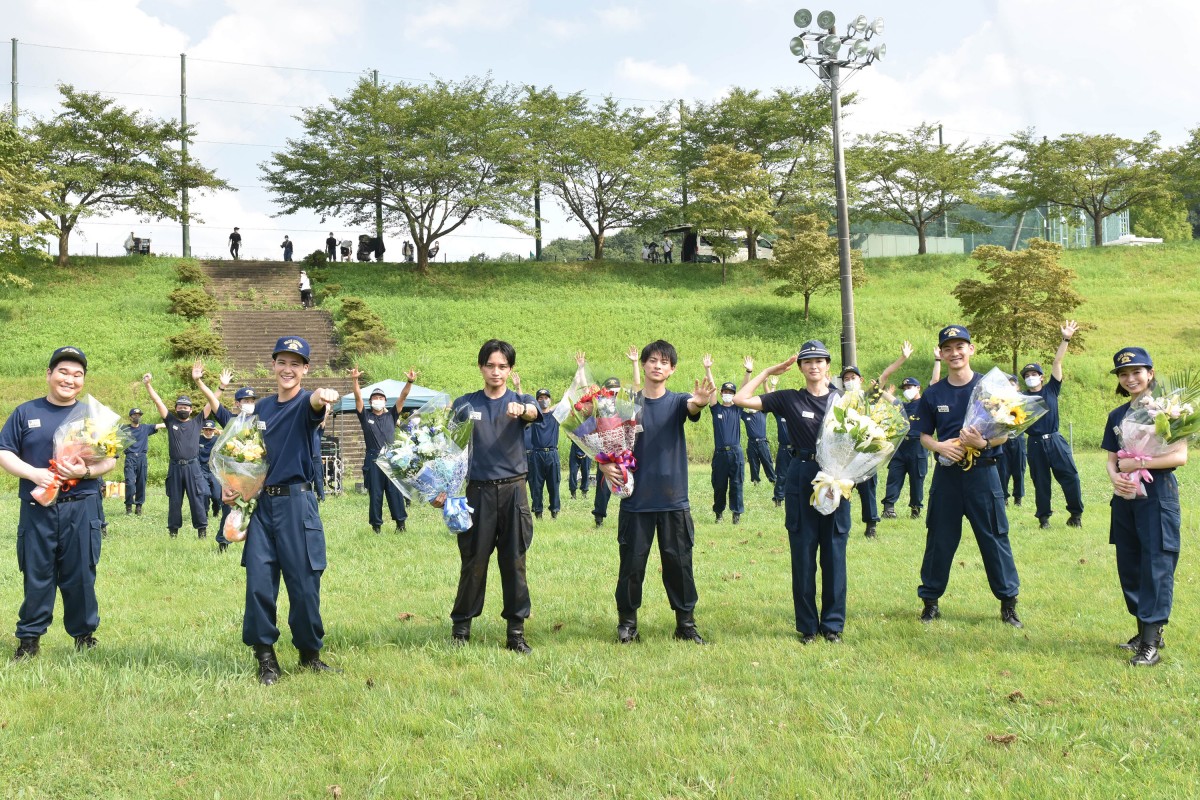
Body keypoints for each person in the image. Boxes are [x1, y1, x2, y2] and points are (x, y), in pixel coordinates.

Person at [221, 336, 340, 684]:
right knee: (259, 581)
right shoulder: (260, 410)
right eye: (282, 362)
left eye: (296, 363)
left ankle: (309, 654)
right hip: (261, 505)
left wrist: (323, 395)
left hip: (297, 504)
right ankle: (265, 657)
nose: (288, 369)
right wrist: (233, 486)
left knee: (304, 583)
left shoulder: (306, 403)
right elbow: (244, 455)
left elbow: (317, 404)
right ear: (273, 365)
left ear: (305, 369)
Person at [1, 347, 118, 659]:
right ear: (49, 375)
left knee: (81, 573)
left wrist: (86, 470)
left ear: (83, 381)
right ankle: (29, 640)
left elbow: (110, 460)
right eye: (63, 372)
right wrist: (34, 474)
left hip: (82, 506)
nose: (70, 379)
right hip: (38, 508)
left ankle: (84, 635)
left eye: (78, 374)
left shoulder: (94, 417)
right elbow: (5, 452)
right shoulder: (25, 413)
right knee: (37, 572)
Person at [597, 340, 712, 645]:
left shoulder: (677, 402)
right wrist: (604, 466)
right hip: (636, 500)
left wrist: (699, 402)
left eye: (664, 362)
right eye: (652, 361)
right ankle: (627, 624)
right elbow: (605, 442)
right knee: (632, 565)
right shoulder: (627, 404)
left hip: (673, 499)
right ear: (644, 365)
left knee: (679, 563)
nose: (657, 366)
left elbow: (693, 406)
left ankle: (685, 624)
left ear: (672, 369)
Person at [736, 340, 850, 643]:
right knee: (803, 552)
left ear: (828, 365)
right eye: (807, 361)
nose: (814, 366)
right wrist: (769, 371)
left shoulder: (844, 401)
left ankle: (833, 626)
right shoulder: (788, 398)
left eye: (820, 361)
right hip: (802, 475)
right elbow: (740, 399)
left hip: (836, 477)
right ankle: (808, 627)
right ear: (800, 367)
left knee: (834, 552)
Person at [915, 325, 1023, 628]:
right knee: (940, 538)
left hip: (984, 474)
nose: (954, 353)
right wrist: (938, 447)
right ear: (941, 353)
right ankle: (931, 602)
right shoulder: (934, 393)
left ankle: (1008, 603)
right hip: (948, 477)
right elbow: (923, 434)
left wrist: (984, 443)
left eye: (959, 346)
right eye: (947, 348)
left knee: (994, 537)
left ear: (971, 349)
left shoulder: (992, 388)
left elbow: (1007, 430)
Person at [447, 340, 540, 653]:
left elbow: (534, 412)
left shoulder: (520, 401)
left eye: (502, 366)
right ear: (481, 367)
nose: (496, 371)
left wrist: (523, 409)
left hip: (514, 491)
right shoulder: (466, 404)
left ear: (510, 369)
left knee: (515, 562)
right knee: (473, 561)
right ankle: (461, 629)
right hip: (478, 492)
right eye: (490, 365)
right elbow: (448, 448)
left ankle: (516, 632)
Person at [1103, 347, 1185, 667]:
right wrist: (1116, 478)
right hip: (1125, 498)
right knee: (1131, 565)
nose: (1130, 378)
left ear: (1150, 373)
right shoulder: (1116, 416)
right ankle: (1144, 630)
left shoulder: (1170, 409)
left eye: (1137, 371)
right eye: (1124, 374)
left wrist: (1140, 461)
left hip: (1157, 496)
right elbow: (1111, 461)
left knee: (1156, 565)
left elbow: (1179, 456)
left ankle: (1150, 643)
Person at [143, 365, 218, 539]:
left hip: (193, 467)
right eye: (180, 406)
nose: (183, 409)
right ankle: (173, 532)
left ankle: (202, 531)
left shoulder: (198, 421)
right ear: (176, 409)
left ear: (191, 410)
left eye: (186, 407)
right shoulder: (170, 421)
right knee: (174, 501)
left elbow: (212, 401)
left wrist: (220, 386)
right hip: (175, 468)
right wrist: (148, 385)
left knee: (197, 499)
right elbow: (158, 402)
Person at [1022, 320, 1084, 530]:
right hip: (1035, 444)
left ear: (1042, 377)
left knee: (1070, 477)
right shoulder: (1020, 399)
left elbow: (1057, 363)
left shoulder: (1051, 390)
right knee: (1041, 482)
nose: (1031, 378)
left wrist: (1065, 338)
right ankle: (1043, 519)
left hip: (1055, 440)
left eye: (1034, 374)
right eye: (1027, 376)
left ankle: (1075, 514)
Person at [349, 366, 415, 534]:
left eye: (381, 397)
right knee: (376, 495)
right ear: (371, 402)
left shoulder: (391, 415)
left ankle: (401, 524)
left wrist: (410, 381)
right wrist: (355, 380)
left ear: (385, 401)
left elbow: (403, 396)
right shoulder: (366, 417)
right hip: (373, 461)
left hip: (392, 460)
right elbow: (358, 398)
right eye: (375, 398)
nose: (378, 400)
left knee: (395, 493)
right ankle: (376, 527)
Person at [201, 384, 257, 553]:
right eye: (245, 400)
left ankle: (254, 543)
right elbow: (213, 401)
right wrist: (201, 382)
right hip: (234, 473)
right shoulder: (231, 420)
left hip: (256, 473)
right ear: (237, 403)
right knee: (230, 508)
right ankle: (223, 541)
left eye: (252, 400)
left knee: (255, 510)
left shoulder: (260, 420)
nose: (249, 403)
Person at [838, 365, 880, 539]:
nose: (849, 381)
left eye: (852, 378)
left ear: (860, 380)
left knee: (867, 489)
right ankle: (841, 524)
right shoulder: (839, 401)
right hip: (846, 452)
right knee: (843, 488)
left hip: (867, 451)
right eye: (846, 379)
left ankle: (871, 525)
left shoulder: (869, 398)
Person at [701, 355, 744, 524]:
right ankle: (718, 513)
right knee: (719, 485)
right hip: (720, 454)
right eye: (725, 392)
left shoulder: (737, 409)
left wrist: (748, 372)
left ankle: (736, 514)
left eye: (730, 392)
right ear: (721, 393)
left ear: (734, 395)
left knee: (736, 484)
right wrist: (708, 369)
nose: (727, 395)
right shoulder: (716, 408)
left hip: (736, 453)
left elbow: (744, 389)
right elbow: (711, 389)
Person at [882, 378, 930, 520]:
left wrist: (937, 360)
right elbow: (891, 400)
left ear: (918, 388)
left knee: (917, 479)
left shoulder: (924, 404)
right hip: (901, 446)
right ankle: (888, 509)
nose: (907, 390)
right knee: (894, 477)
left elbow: (934, 381)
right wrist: (880, 387)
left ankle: (916, 509)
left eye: (910, 387)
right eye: (905, 388)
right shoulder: (903, 406)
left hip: (917, 447)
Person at [739, 356, 776, 486]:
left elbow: (770, 398)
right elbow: (738, 402)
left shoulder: (762, 412)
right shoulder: (744, 415)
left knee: (767, 461)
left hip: (762, 442)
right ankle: (755, 481)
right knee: (753, 462)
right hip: (751, 442)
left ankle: (773, 479)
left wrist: (768, 384)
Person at [527, 388, 562, 520]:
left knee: (554, 484)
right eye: (540, 398)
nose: (543, 400)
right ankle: (538, 512)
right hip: (536, 455)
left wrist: (579, 373)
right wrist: (518, 387)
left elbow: (565, 402)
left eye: (546, 398)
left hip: (552, 454)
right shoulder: (534, 417)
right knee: (536, 485)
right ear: (536, 401)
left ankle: (554, 511)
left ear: (550, 400)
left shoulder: (555, 416)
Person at [997, 374, 1028, 509]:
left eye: (1012, 384)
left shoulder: (1023, 401)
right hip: (1003, 438)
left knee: (1019, 468)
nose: (1009, 387)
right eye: (1006, 385)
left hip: (1018, 438)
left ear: (1018, 387)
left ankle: (1018, 498)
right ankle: (1004, 498)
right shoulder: (998, 401)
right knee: (1002, 469)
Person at [120, 407, 158, 516]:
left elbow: (159, 425)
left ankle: (139, 507)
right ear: (130, 417)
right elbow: (111, 431)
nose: (137, 417)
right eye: (134, 415)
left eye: (139, 415)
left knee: (141, 483)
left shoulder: (145, 428)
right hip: (130, 458)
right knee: (130, 483)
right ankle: (128, 507)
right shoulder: (124, 429)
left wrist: (175, 422)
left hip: (142, 458)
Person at [765, 376, 790, 509]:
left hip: (798, 449)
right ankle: (779, 499)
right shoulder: (779, 414)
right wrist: (773, 386)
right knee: (781, 474)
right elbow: (771, 400)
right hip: (784, 448)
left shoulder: (798, 413)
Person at [197, 419, 222, 522]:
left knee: (216, 495)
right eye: (206, 429)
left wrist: (219, 432)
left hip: (214, 470)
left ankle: (216, 510)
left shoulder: (218, 440)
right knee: (205, 493)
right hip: (201, 469)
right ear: (203, 430)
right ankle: (205, 513)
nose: (208, 432)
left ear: (214, 430)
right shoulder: (197, 439)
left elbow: (231, 434)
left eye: (210, 430)